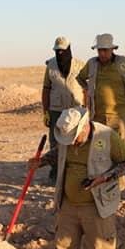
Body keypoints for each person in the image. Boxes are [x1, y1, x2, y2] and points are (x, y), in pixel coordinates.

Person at [29, 107, 125, 249]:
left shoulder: (107, 136)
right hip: (68, 204)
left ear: (84, 126)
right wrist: (41, 162)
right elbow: (59, 154)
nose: (73, 142)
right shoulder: (68, 140)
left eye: (75, 137)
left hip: (98, 205)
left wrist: (103, 178)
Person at [77, 33, 125, 143]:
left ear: (112, 49)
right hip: (97, 116)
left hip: (119, 116)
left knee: (120, 146)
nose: (102, 53)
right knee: (99, 147)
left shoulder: (123, 63)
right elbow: (80, 78)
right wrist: (88, 90)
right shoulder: (92, 63)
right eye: (100, 50)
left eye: (105, 50)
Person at [40, 36, 84, 181]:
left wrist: (87, 109)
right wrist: (45, 112)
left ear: (69, 49)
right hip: (56, 110)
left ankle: (72, 172)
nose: (60, 54)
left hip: (75, 111)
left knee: (75, 141)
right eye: (57, 51)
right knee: (55, 141)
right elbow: (46, 89)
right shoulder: (50, 65)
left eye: (62, 51)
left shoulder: (79, 65)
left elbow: (86, 89)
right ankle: (56, 173)